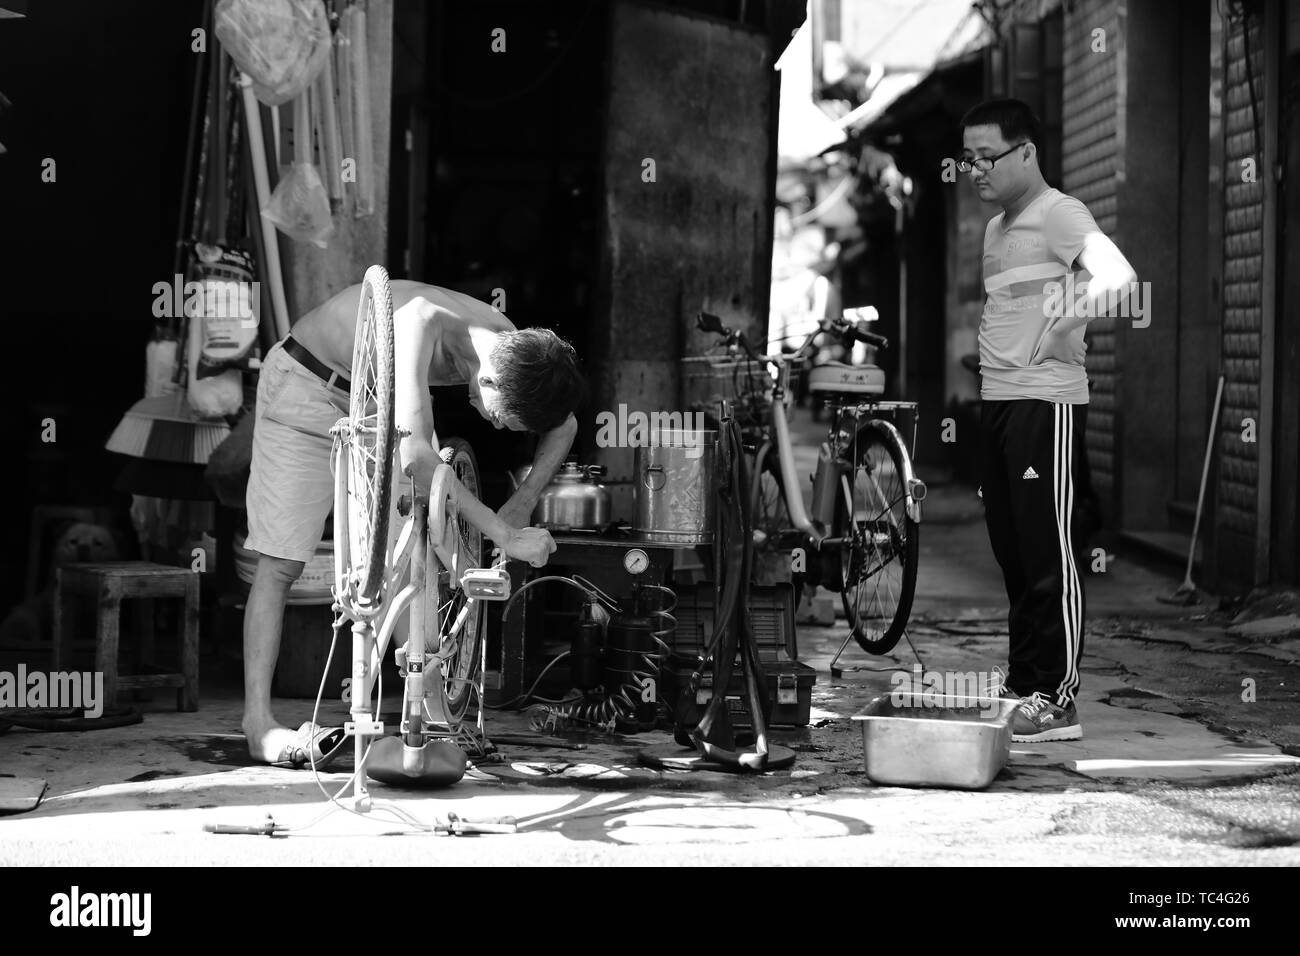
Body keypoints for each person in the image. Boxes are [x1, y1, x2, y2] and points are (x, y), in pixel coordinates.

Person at [241, 279, 585, 765]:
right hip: (306, 386)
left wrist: (523, 501)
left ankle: (423, 709)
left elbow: (564, 422)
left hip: (375, 404)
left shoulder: (508, 343)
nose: (497, 427)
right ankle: (258, 725)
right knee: (279, 563)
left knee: (409, 547)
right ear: (488, 381)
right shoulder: (415, 322)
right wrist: (501, 532)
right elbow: (418, 459)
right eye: (502, 418)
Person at [959, 99, 1138, 742]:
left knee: (1047, 550)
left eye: (988, 157)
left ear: (1027, 152)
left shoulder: (1060, 213)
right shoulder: (995, 230)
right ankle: (1023, 684)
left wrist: (1068, 320)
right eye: (968, 159)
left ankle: (1057, 699)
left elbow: (1117, 276)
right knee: (1010, 547)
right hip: (1001, 402)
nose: (976, 170)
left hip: (1047, 403)